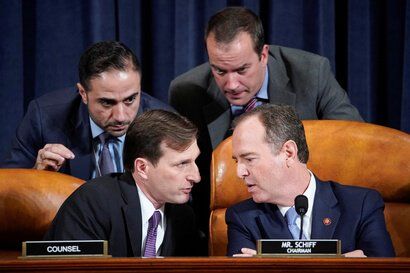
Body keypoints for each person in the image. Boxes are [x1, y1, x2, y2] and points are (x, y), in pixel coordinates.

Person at [168, 6, 363, 245]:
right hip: (227, 223)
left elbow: (354, 145)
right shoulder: (187, 91)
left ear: (263, 55)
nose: (231, 84)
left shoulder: (312, 73)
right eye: (219, 70)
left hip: (300, 213)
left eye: (242, 70)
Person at [226, 104, 395, 257]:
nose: (240, 172)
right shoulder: (242, 218)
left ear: (289, 153)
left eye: (249, 159)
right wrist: (341, 265)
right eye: (236, 161)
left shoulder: (361, 205)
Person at [1, 41, 173, 180]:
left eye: (130, 99)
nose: (121, 116)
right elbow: (8, 193)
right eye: (107, 103)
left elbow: (182, 205)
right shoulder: (44, 117)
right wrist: (37, 176)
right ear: (83, 93)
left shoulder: (164, 124)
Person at [44, 110, 202, 257]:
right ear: (142, 168)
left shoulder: (183, 217)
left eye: (195, 161)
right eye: (182, 164)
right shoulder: (93, 203)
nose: (196, 176)